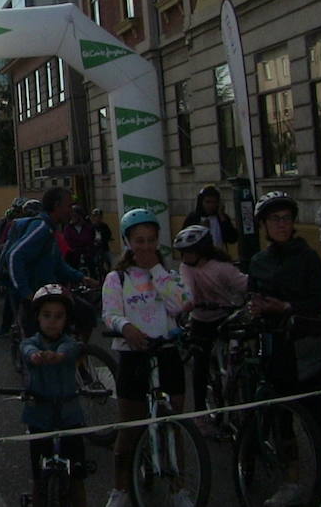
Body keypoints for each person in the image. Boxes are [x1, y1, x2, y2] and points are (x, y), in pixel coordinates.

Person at [101, 208, 191, 507]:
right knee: (129, 428)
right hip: (133, 357)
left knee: (175, 422)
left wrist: (156, 270)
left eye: (151, 240)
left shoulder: (168, 274)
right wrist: (126, 327)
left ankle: (179, 486)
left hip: (165, 354)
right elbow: (111, 314)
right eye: (138, 241)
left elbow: (180, 305)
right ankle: (121, 488)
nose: (145, 247)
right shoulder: (117, 278)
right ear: (128, 242)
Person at [247, 191, 321, 507]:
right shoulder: (259, 261)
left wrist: (287, 306)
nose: (282, 225)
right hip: (273, 344)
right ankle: (291, 481)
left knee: (316, 418)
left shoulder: (307, 257)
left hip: (305, 344)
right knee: (281, 416)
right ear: (264, 225)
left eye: (286, 219)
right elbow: (253, 295)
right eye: (274, 219)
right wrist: (255, 309)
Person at [173, 224, 246, 433]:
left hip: (224, 317)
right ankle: (200, 415)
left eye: (189, 252)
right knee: (200, 367)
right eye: (183, 252)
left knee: (235, 357)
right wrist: (184, 304)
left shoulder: (221, 268)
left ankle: (234, 389)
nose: (185, 256)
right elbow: (187, 290)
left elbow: (243, 284)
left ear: (203, 250)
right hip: (200, 319)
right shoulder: (186, 268)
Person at [21, 285, 87, 507]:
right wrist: (36, 356)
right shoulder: (31, 342)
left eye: (59, 317)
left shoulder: (68, 343)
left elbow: (71, 349)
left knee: (78, 473)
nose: (52, 321)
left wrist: (58, 356)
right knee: (38, 475)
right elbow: (26, 350)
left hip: (69, 413)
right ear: (37, 318)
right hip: (38, 413)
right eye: (46, 315)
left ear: (67, 319)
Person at [8, 187, 96, 337]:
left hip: (50, 294)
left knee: (86, 313)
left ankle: (77, 354)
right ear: (57, 206)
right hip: (34, 297)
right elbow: (15, 256)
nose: (71, 211)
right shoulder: (41, 227)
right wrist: (26, 293)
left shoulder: (51, 230)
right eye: (69, 206)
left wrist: (81, 277)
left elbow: (58, 265)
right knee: (35, 348)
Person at [62, 204, 96, 270]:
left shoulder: (88, 228)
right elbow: (67, 241)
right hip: (74, 254)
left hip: (87, 253)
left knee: (92, 265)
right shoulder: (68, 228)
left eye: (75, 216)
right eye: (72, 216)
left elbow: (92, 238)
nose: (73, 218)